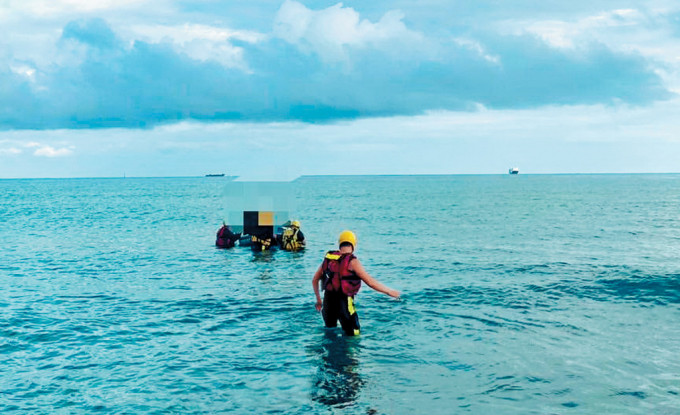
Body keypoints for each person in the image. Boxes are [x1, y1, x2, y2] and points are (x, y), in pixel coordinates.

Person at [312, 230, 400, 336]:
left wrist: (318, 300)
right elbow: (370, 282)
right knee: (354, 336)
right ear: (354, 244)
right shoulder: (352, 262)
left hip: (328, 304)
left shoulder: (329, 259)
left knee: (330, 334)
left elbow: (315, 280)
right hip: (344, 304)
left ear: (340, 243)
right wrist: (389, 292)